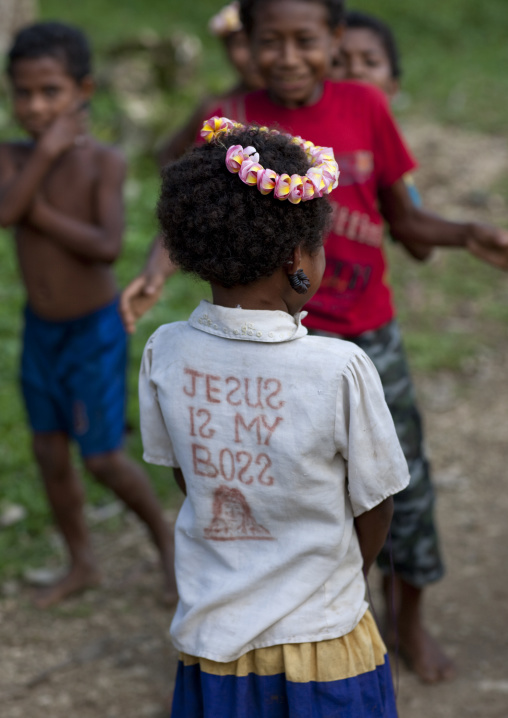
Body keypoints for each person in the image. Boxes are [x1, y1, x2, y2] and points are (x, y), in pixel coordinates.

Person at [120, 0, 508, 684]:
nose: (289, 56)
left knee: (398, 484)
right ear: (247, 43)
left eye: (307, 40)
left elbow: (406, 220)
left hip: (364, 336)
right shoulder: (229, 116)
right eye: (272, 40)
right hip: (260, 347)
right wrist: (156, 270)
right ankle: (300, 604)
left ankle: (404, 619)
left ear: (336, 37)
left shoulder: (363, 106)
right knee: (266, 483)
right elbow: (191, 201)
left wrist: (468, 234)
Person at [139, 117, 410, 717]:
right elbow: (378, 500)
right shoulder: (339, 368)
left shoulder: (165, 350)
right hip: (325, 642)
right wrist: (346, 570)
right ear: (297, 258)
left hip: (216, 646)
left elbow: (190, 475)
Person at [0, 21, 177, 609]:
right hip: (40, 330)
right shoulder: (10, 157)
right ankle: (82, 562)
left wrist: (38, 205)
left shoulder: (104, 161)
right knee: (50, 451)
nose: (35, 106)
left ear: (83, 90)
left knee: (101, 456)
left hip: (95, 329)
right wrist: (43, 158)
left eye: (50, 92)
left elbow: (105, 245)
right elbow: (5, 213)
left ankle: (169, 545)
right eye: (22, 93)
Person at [331, 9, 430, 260]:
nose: (355, 71)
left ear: (393, 88)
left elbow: (420, 246)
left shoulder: (386, 151)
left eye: (370, 62)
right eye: (337, 62)